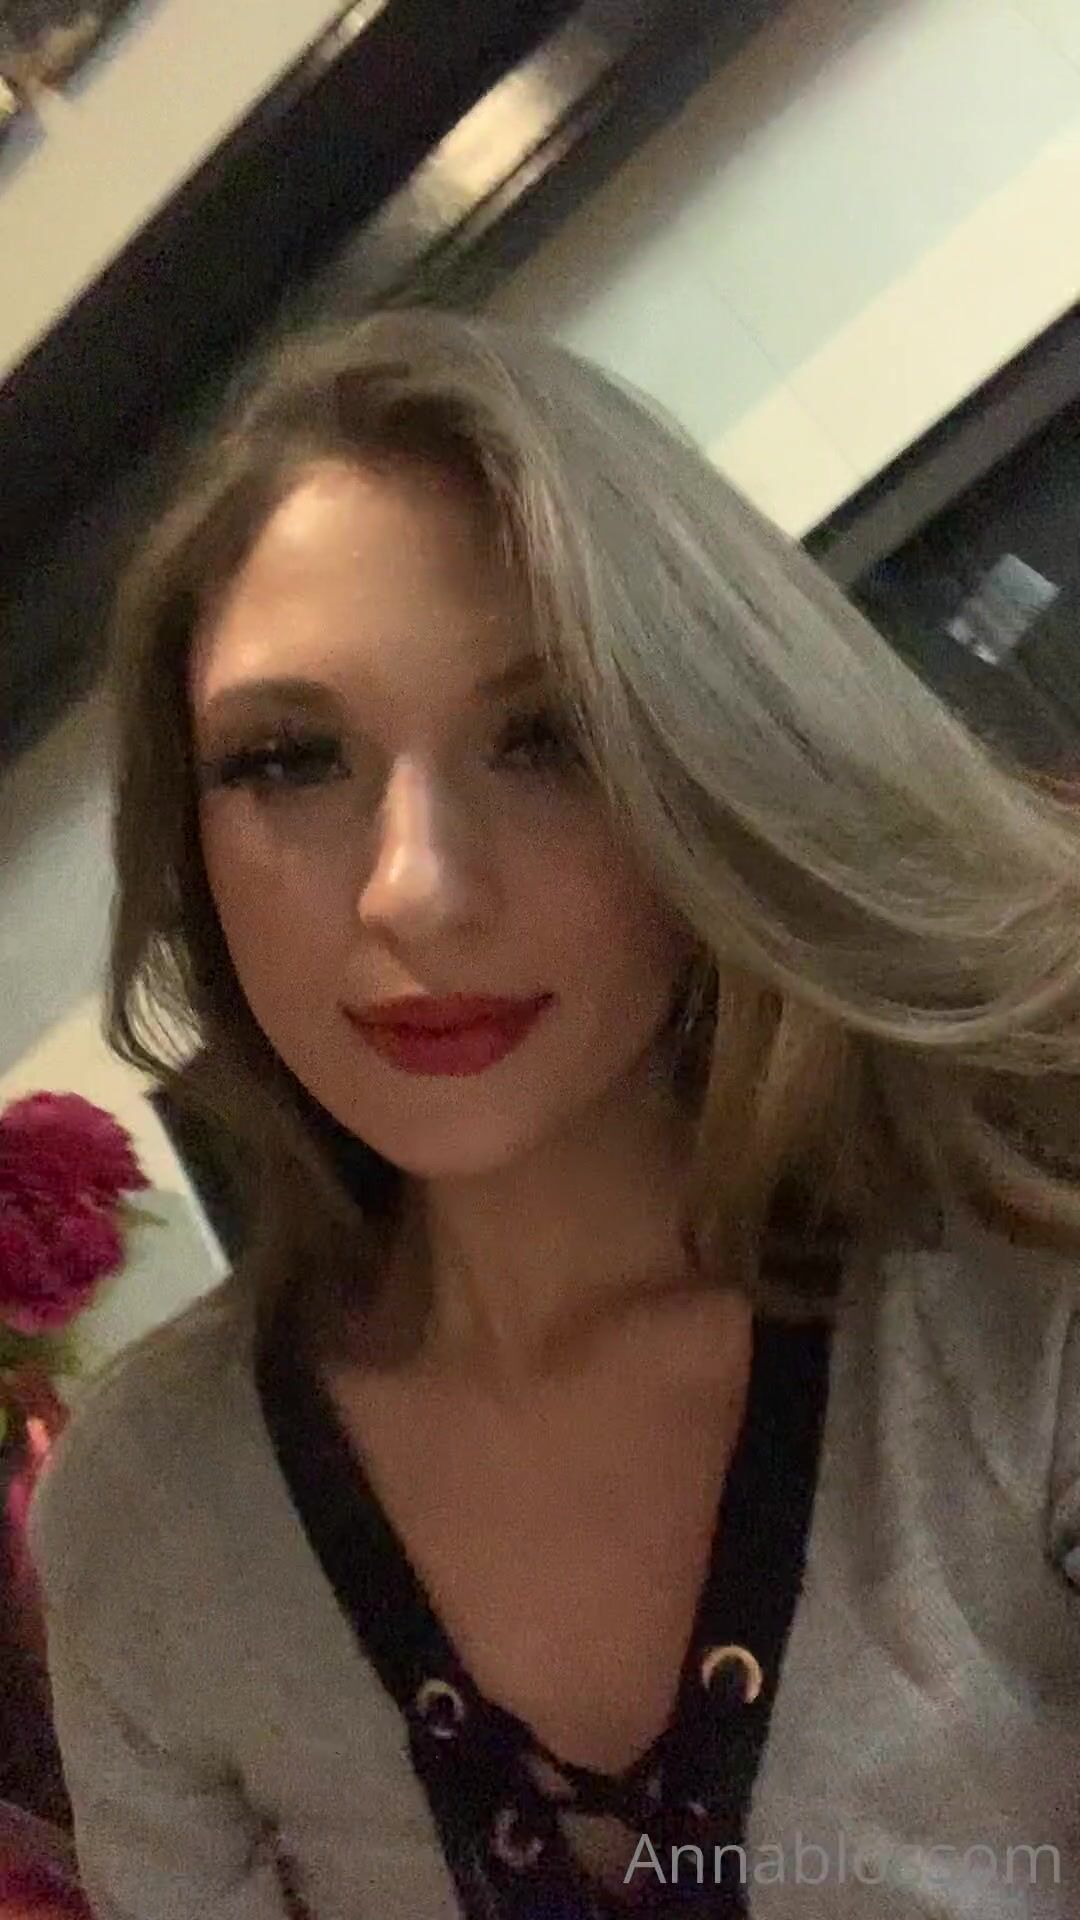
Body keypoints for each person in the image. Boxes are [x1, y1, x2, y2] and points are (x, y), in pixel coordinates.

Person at [29, 309, 1080, 1920]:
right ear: (189, 833)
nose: (414, 889)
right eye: (291, 760)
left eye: (547, 735)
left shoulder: (1022, 1306)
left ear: (710, 758)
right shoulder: (152, 1517)